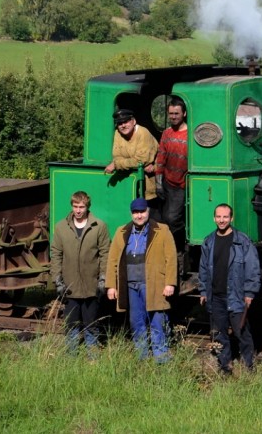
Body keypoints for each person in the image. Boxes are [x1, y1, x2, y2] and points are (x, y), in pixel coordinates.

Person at [106, 197, 177, 362]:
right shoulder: (121, 231)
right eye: (136, 212)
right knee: (136, 323)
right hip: (131, 285)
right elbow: (113, 260)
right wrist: (111, 286)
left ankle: (162, 358)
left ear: (148, 211)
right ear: (131, 213)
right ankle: (142, 358)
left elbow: (171, 258)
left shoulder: (162, 230)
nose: (139, 216)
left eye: (142, 212)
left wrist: (170, 283)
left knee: (157, 322)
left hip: (153, 284)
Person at [198, 203, 261, 375]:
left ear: (231, 218)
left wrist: (250, 292)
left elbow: (253, 268)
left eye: (225, 217)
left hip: (236, 295)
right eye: (218, 217)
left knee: (241, 332)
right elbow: (203, 268)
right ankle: (225, 366)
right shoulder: (209, 241)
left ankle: (248, 366)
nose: (222, 220)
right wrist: (203, 290)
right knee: (219, 333)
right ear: (214, 218)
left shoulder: (242, 241)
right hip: (215, 296)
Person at [49, 191, 110, 356]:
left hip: (91, 285)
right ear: (72, 206)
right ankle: (71, 354)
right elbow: (56, 254)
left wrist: (103, 278)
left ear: (87, 207)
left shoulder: (99, 226)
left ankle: (93, 355)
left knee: (91, 322)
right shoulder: (61, 227)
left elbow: (105, 254)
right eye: (75, 206)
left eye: (81, 207)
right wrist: (57, 279)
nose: (78, 210)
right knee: (71, 323)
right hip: (70, 285)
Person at [105, 108, 158, 201]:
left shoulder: (143, 132)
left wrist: (117, 164)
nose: (123, 126)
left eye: (126, 122)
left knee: (149, 211)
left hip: (149, 183)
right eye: (120, 123)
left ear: (133, 121)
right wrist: (134, 163)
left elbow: (141, 160)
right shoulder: (118, 133)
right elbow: (117, 155)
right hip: (129, 183)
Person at [154, 98, 188, 237]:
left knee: (172, 219)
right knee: (163, 218)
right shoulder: (166, 133)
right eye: (171, 113)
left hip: (182, 184)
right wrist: (158, 183)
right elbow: (161, 159)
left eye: (176, 113)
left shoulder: (190, 134)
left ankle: (179, 244)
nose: (173, 117)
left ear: (184, 114)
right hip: (167, 181)